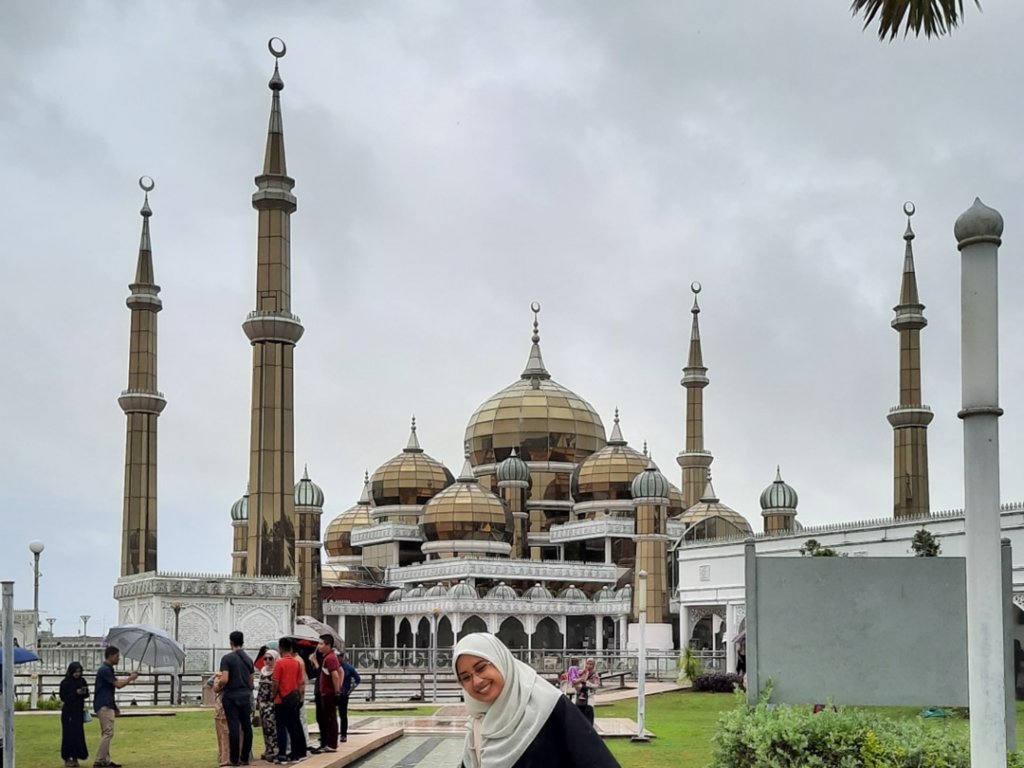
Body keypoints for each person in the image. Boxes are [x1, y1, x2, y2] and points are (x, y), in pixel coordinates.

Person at [453, 633, 620, 768]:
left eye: (481, 668)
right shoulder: (478, 723)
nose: (476, 681)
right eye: (465, 678)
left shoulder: (549, 707)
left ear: (500, 660)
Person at [93, 645, 140, 768]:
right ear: (110, 656)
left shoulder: (107, 669)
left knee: (106, 732)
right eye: (117, 656)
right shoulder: (105, 670)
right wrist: (130, 678)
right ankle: (100, 760)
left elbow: (109, 689)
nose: (118, 658)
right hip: (104, 704)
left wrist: (114, 706)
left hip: (106, 703)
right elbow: (118, 685)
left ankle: (105, 760)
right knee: (108, 733)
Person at [218, 630, 255, 766]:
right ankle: (245, 757)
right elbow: (251, 680)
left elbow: (225, 679)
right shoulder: (248, 659)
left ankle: (234, 759)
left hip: (231, 696)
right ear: (242, 642)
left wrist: (219, 683)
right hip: (245, 695)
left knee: (233, 727)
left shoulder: (227, 658)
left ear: (231, 642)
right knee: (246, 726)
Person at [271, 637, 307, 765]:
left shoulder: (279, 663)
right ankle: (296, 753)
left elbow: (275, 683)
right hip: (293, 699)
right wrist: (300, 697)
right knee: (293, 726)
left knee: (281, 727)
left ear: (280, 649)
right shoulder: (297, 663)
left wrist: (273, 695)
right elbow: (300, 682)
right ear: (291, 649)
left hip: (281, 699)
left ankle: (282, 754)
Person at [309, 635, 342, 754]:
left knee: (330, 718)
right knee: (326, 718)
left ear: (328, 645)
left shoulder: (330, 658)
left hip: (329, 693)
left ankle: (331, 744)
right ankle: (327, 743)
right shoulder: (327, 658)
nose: (319, 646)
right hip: (324, 692)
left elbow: (335, 675)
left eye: (321, 644)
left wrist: (337, 692)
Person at [59, 661, 89, 767]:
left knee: (78, 735)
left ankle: (76, 756)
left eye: (79, 672)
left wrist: (84, 692)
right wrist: (75, 693)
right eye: (76, 672)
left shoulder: (82, 681)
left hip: (78, 712)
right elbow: (63, 697)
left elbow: (87, 695)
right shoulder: (65, 683)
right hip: (68, 713)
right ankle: (68, 757)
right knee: (68, 735)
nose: (77, 674)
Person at [254, 649, 280, 761]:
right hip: (262, 703)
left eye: (270, 658)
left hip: (271, 703)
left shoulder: (276, 671)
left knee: (272, 727)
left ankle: (274, 750)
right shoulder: (263, 671)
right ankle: (268, 749)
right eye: (265, 658)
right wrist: (258, 702)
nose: (267, 661)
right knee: (264, 727)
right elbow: (260, 688)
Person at [337, 652, 361, 743]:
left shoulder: (348, 667)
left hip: (343, 694)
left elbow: (357, 679)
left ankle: (343, 734)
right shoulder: (333, 666)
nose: (337, 659)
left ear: (342, 657)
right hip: (334, 693)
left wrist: (350, 690)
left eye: (339, 657)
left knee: (343, 715)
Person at [208, 675, 231, 767]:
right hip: (227, 707)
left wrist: (218, 679)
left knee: (224, 734)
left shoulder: (223, 676)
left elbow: (215, 687)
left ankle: (225, 758)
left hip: (223, 708)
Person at [573, 657, 601, 726]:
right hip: (579, 695)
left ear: (593, 665)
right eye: (587, 664)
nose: (589, 666)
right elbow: (573, 682)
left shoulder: (595, 674)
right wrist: (580, 680)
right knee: (576, 711)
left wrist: (587, 683)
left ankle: (589, 727)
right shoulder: (580, 672)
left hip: (589, 695)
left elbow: (597, 685)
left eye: (591, 664)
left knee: (589, 710)